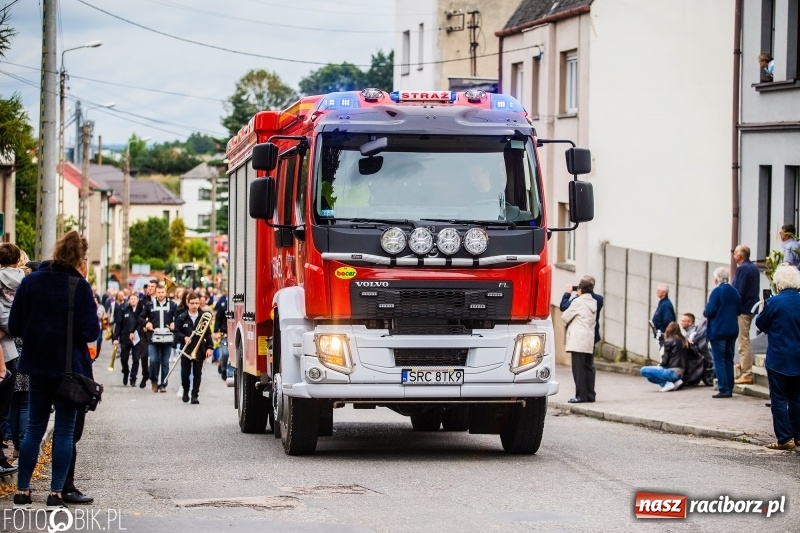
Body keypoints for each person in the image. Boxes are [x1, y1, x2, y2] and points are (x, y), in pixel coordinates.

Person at [9, 231, 100, 509]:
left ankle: (22, 492)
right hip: (68, 370)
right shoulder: (79, 286)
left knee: (34, 429)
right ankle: (56, 493)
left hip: (36, 365)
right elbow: (90, 332)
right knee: (64, 431)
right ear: (80, 258)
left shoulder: (31, 281)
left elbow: (14, 326)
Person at [755, 264, 800, 450]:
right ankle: (798, 436)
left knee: (779, 399)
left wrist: (763, 307)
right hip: (798, 358)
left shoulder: (774, 303)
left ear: (779, 284)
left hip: (779, 357)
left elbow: (761, 325)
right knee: (797, 398)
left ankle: (784, 438)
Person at [703, 267, 742, 399]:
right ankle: (729, 387)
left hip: (718, 330)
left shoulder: (717, 291)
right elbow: (739, 310)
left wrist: (705, 312)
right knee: (728, 360)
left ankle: (724, 388)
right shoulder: (734, 291)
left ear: (716, 279)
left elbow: (709, 310)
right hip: (732, 329)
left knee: (719, 360)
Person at [562, 278, 598, 404]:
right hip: (589, 339)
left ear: (580, 290)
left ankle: (580, 396)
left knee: (578, 369)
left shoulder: (578, 302)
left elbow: (565, 316)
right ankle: (590, 395)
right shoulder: (594, 302)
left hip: (578, 340)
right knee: (588, 367)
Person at [176, 292, 213, 404]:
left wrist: (209, 347)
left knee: (197, 374)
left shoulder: (204, 317)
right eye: (192, 303)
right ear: (188, 303)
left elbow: (208, 334)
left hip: (199, 349)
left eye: (197, 303)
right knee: (185, 374)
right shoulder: (182, 317)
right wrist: (184, 337)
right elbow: (176, 332)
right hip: (186, 350)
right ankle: (186, 391)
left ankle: (195, 395)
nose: (195, 306)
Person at [139, 283, 177, 393]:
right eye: (159, 292)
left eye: (162, 292)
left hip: (168, 338)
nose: (161, 294)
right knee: (154, 360)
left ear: (166, 293)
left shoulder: (173, 305)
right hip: (153, 337)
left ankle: (163, 384)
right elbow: (140, 317)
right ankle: (154, 381)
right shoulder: (149, 305)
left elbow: (179, 317)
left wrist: (174, 323)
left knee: (165, 362)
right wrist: (146, 323)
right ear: (156, 293)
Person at [731, 245, 760, 385]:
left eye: (735, 252)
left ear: (741, 255)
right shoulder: (753, 267)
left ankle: (746, 373)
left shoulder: (742, 268)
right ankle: (744, 365)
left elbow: (738, 291)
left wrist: (732, 306)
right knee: (744, 339)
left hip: (743, 309)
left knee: (743, 341)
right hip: (751, 307)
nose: (733, 254)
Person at [640, 322, 689, 392]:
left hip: (672, 372)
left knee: (643, 370)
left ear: (668, 330)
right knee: (650, 377)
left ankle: (666, 384)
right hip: (681, 372)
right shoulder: (684, 341)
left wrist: (659, 366)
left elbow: (665, 361)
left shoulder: (669, 341)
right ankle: (675, 383)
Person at [560, 275, 604, 345]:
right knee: (590, 354)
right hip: (593, 333)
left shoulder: (578, 300)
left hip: (581, 336)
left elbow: (563, 307)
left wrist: (567, 293)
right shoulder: (599, 299)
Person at [113, 293, 144, 387]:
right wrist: (115, 338)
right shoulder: (124, 310)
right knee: (123, 358)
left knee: (136, 359)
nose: (133, 300)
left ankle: (133, 378)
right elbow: (118, 324)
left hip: (137, 338)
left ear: (138, 300)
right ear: (129, 300)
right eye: (132, 299)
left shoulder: (141, 310)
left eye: (135, 299)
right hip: (125, 338)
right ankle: (126, 371)